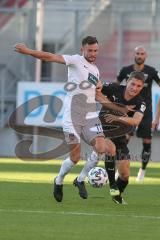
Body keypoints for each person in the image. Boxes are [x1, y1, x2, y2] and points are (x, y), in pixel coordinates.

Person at [14, 36, 123, 202]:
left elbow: (96, 94)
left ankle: (80, 180)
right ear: (82, 50)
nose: (93, 53)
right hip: (72, 117)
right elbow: (50, 56)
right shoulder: (75, 60)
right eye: (90, 50)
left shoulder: (95, 70)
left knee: (101, 147)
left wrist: (116, 107)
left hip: (90, 116)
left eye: (95, 51)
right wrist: (28, 51)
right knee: (75, 157)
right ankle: (58, 180)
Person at [75, 71, 146, 204]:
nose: (134, 88)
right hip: (102, 130)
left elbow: (136, 121)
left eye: (138, 86)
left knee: (125, 175)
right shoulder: (113, 88)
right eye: (133, 84)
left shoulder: (140, 102)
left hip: (120, 137)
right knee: (110, 149)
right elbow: (97, 94)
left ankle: (116, 195)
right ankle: (112, 185)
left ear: (142, 87)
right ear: (127, 81)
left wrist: (116, 116)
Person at [117, 46, 160, 182]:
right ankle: (121, 169)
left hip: (146, 113)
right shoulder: (125, 70)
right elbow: (116, 88)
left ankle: (142, 170)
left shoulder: (152, 72)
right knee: (124, 140)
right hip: (130, 111)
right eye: (137, 53)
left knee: (147, 142)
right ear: (134, 54)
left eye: (142, 53)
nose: (140, 55)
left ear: (146, 55)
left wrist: (157, 117)